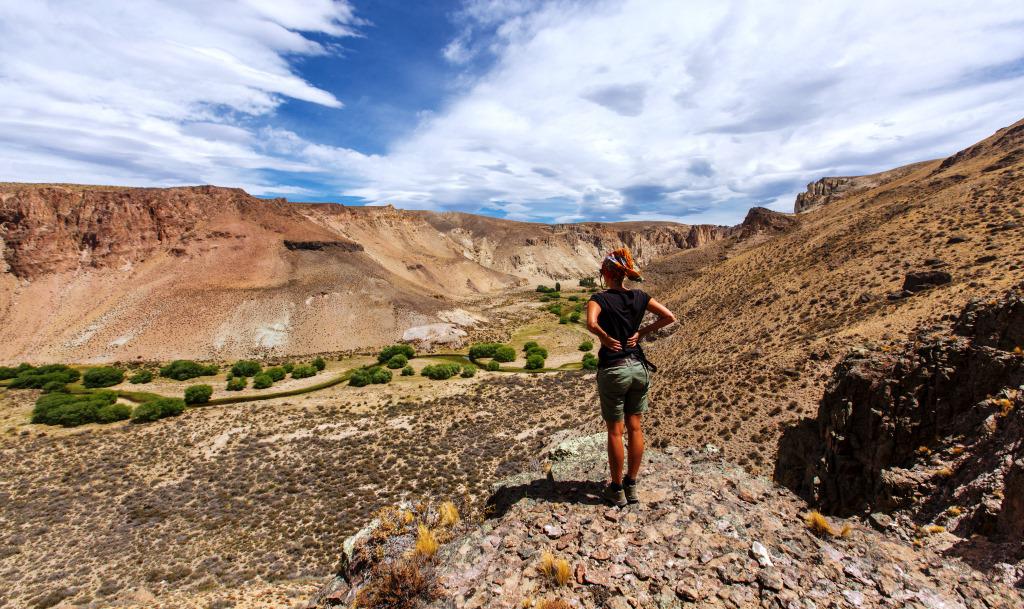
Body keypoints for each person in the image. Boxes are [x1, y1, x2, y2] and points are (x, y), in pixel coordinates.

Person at [585, 247, 676, 507]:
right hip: (638, 367)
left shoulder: (598, 299)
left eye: (602, 271)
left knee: (615, 432)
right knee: (635, 427)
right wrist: (643, 331)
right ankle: (632, 485)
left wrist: (604, 337)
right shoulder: (639, 297)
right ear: (623, 274)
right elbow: (669, 317)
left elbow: (591, 324)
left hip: (614, 369)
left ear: (606, 273)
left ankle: (616, 489)